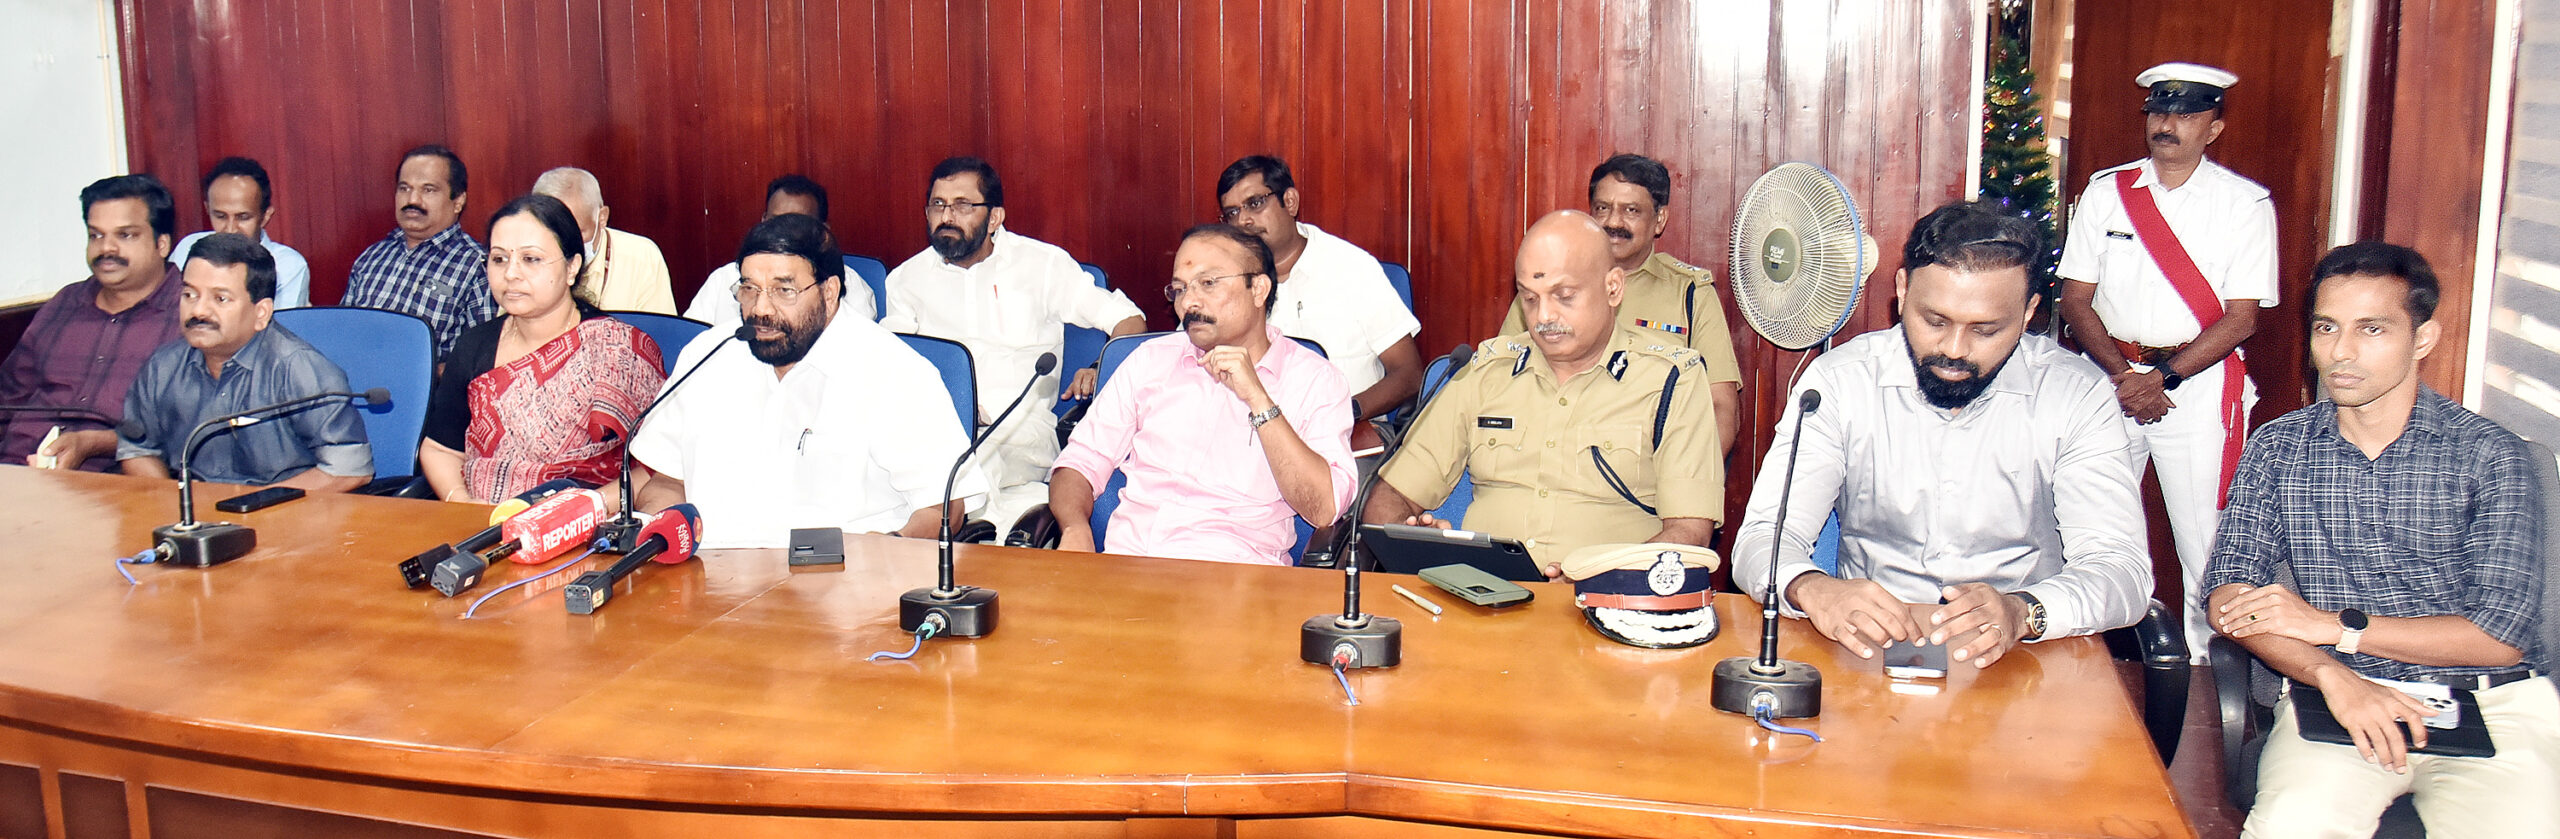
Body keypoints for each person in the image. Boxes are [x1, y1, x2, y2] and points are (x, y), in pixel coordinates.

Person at [2204, 243, 2555, 835]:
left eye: (2372, 329)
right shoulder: (2278, 447)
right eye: (2327, 327)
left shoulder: (2492, 456)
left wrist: (2336, 628)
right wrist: (2332, 675)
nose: (2341, 352)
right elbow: (2227, 597)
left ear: (2422, 339)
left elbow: (2500, 638)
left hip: (2492, 703)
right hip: (2338, 694)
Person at [1731, 201, 2150, 670]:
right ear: (1902, 290)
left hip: (2023, 657)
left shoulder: (2075, 394)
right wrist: (1811, 587)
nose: (1954, 350)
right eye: (1934, 322)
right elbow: (1763, 538)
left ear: (2029, 311)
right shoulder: (1839, 382)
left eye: (1986, 330)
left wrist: (2023, 611)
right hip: (1866, 648)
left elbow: (2121, 570)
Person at [2056, 62, 2278, 661]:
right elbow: (2074, 299)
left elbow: (2242, 318)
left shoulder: (2244, 204)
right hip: (2111, 381)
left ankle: (2210, 673)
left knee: (2204, 540)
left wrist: (2162, 378)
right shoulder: (2108, 192)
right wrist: (2124, 376)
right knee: (2087, 523)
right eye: (2158, 111)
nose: (2167, 124)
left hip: (2197, 387)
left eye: (2185, 114)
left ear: (2214, 128)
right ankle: (2084, 658)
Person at [1364, 210, 1720, 575]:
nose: (1544, 316)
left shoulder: (1670, 380)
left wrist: (1597, 579)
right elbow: (1389, 497)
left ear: (1613, 288)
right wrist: (1417, 545)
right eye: (1530, 298)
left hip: (1607, 599)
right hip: (1481, 593)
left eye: (1564, 296)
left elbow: (1689, 533)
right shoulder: (1485, 372)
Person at [631, 214, 982, 550]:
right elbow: (666, 481)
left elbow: (944, 508)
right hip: (712, 574)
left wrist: (890, 548)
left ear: (829, 292)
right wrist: (656, 532)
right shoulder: (707, 356)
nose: (761, 309)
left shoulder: (893, 370)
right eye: (749, 288)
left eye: (783, 290)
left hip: (844, 580)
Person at [1048, 224, 1357, 565]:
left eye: (1208, 283)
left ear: (1259, 289)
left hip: (1235, 576)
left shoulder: (1315, 380)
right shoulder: (1150, 361)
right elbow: (1078, 462)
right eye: (1180, 289)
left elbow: (1324, 509)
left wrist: (1259, 400)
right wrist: (1074, 529)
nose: (1189, 302)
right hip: (1130, 566)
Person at [877, 156, 1146, 527]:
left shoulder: (1043, 265)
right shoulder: (907, 279)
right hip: (937, 427)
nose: (947, 216)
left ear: (994, 218)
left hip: (1020, 431)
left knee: (963, 464)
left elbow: (1129, 319)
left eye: (962, 205)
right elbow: (893, 359)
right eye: (938, 204)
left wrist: (1100, 366)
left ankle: (921, 539)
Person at [419, 195, 667, 504]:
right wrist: (461, 501)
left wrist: (588, 508)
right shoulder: (473, 345)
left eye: (531, 259)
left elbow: (658, 466)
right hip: (483, 521)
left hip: (589, 522)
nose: (511, 273)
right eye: (499, 259)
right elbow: (440, 449)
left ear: (572, 266)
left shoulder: (616, 350)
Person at [1499, 154, 1746, 450]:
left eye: (1631, 210)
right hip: (1550, 452)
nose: (1613, 222)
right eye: (1603, 208)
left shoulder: (1690, 293)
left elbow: (1720, 407)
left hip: (1649, 463)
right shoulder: (1545, 286)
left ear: (1659, 219)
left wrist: (1687, 473)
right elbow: (1500, 378)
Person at [116, 233, 370, 490]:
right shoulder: (163, 366)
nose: (198, 311)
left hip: (283, 508)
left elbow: (348, 470)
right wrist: (176, 504)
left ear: (261, 313)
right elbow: (137, 449)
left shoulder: (297, 369)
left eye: (220, 299)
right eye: (190, 295)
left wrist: (253, 505)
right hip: (192, 508)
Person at [1216, 155, 1421, 426]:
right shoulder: (1221, 278)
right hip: (1249, 432)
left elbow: (1408, 374)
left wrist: (1345, 412)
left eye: (1255, 203)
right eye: (1232, 213)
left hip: (1347, 430)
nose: (1244, 221)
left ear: (1290, 202)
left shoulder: (1353, 268)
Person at [1, 174, 186, 471]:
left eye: (125, 235)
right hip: (15, 470)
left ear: (161, 244)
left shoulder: (189, 314)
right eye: (96, 235)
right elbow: (9, 395)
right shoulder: (66, 302)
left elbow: (187, 425)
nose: (106, 249)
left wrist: (93, 443)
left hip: (111, 485)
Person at [342, 145, 495, 361]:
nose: (413, 200)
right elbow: (343, 333)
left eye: (428, 190)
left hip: (430, 383)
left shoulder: (478, 267)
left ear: (458, 201)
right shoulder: (372, 258)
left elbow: (482, 360)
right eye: (404, 188)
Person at [680, 174, 878, 325]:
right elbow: (693, 344)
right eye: (776, 221)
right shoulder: (723, 279)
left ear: (823, 231)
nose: (783, 233)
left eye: (798, 224)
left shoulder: (848, 286)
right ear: (763, 221)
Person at [168, 156, 311, 309]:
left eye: (243, 218)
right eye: (220, 216)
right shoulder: (188, 248)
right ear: (207, 209)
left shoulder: (287, 267)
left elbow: (280, 323)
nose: (230, 229)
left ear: (265, 216)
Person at [531, 166, 677, 314]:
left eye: (577, 232)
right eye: (553, 234)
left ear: (602, 217)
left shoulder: (642, 257)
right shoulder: (523, 260)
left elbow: (659, 327)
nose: (565, 244)